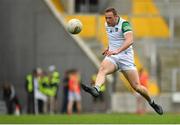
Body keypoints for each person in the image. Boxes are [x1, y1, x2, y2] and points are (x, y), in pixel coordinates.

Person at [81, 7, 163, 115]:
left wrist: (117, 50)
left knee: (137, 87)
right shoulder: (107, 24)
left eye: (110, 18)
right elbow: (113, 39)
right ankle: (96, 89)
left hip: (126, 58)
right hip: (113, 57)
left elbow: (130, 40)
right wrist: (109, 48)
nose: (107, 20)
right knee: (102, 69)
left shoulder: (124, 24)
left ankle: (152, 102)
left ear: (116, 16)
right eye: (106, 18)